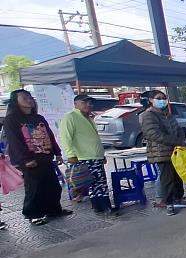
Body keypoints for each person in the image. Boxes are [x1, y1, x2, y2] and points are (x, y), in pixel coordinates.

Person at [3, 89, 71, 225]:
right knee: (34, 188)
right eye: (24, 98)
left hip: (45, 156)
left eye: (30, 97)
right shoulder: (11, 119)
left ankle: (53, 210)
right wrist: (26, 160)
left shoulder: (39, 118)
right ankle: (33, 214)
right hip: (29, 160)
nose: (29, 100)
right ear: (15, 102)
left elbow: (50, 136)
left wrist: (57, 153)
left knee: (53, 186)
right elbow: (15, 141)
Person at [140, 90, 186, 216]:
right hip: (161, 153)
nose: (162, 100)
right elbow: (153, 134)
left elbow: (176, 128)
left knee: (177, 177)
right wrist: (174, 140)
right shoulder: (148, 115)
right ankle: (169, 203)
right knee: (167, 179)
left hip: (175, 151)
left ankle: (178, 199)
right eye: (158, 98)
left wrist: (181, 137)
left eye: (164, 98)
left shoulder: (167, 114)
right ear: (151, 100)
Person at [59, 95, 114, 214]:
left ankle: (101, 206)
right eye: (84, 102)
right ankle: (102, 206)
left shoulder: (89, 118)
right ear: (75, 104)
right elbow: (65, 137)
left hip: (96, 156)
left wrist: (101, 155)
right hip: (84, 157)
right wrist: (71, 155)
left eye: (90, 103)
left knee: (100, 182)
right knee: (95, 183)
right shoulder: (70, 117)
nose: (88, 105)